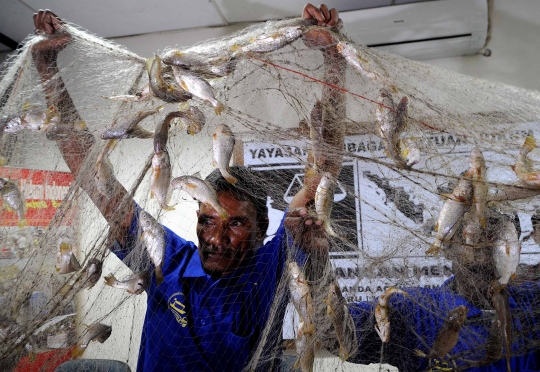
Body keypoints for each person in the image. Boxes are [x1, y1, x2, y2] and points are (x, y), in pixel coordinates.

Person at [31, 4, 345, 372]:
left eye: (235, 224)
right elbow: (90, 171)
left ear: (262, 227)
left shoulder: (271, 271)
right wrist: (47, 69)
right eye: (207, 219)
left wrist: (333, 58)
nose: (215, 237)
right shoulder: (164, 260)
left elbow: (322, 174)